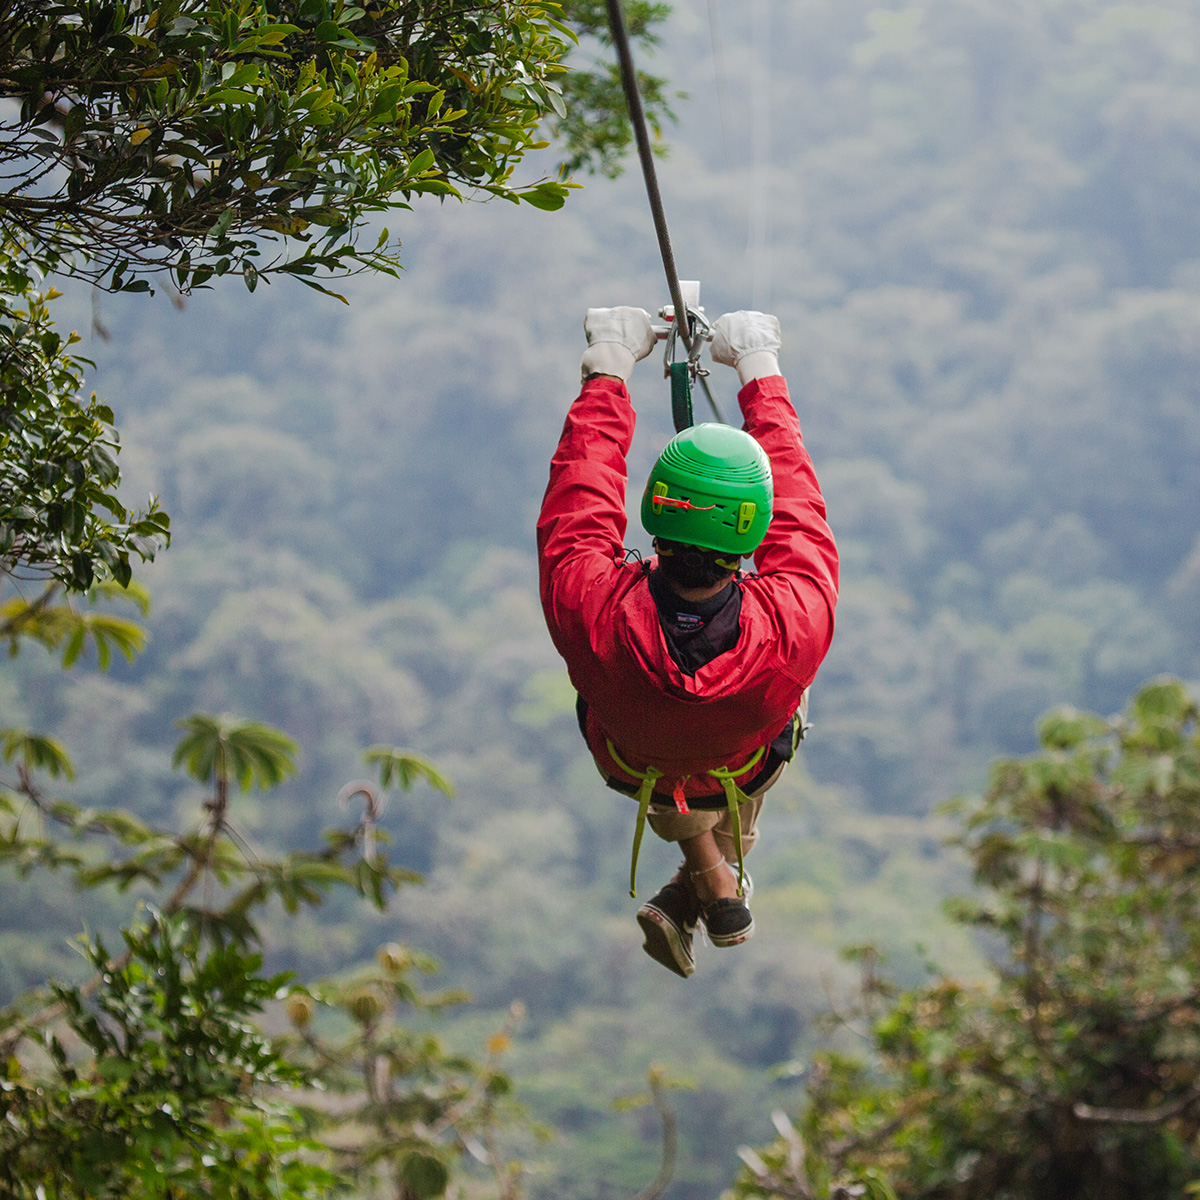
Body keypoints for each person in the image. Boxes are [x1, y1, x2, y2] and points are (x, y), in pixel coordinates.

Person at [537, 307, 838, 978]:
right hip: (737, 764)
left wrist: (611, 365)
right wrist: (759, 369)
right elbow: (797, 505)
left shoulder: (592, 607)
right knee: (778, 699)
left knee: (680, 752)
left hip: (629, 758)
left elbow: (580, 494)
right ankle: (710, 881)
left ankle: (696, 889)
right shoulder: (793, 623)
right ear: (749, 535)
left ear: (656, 513)